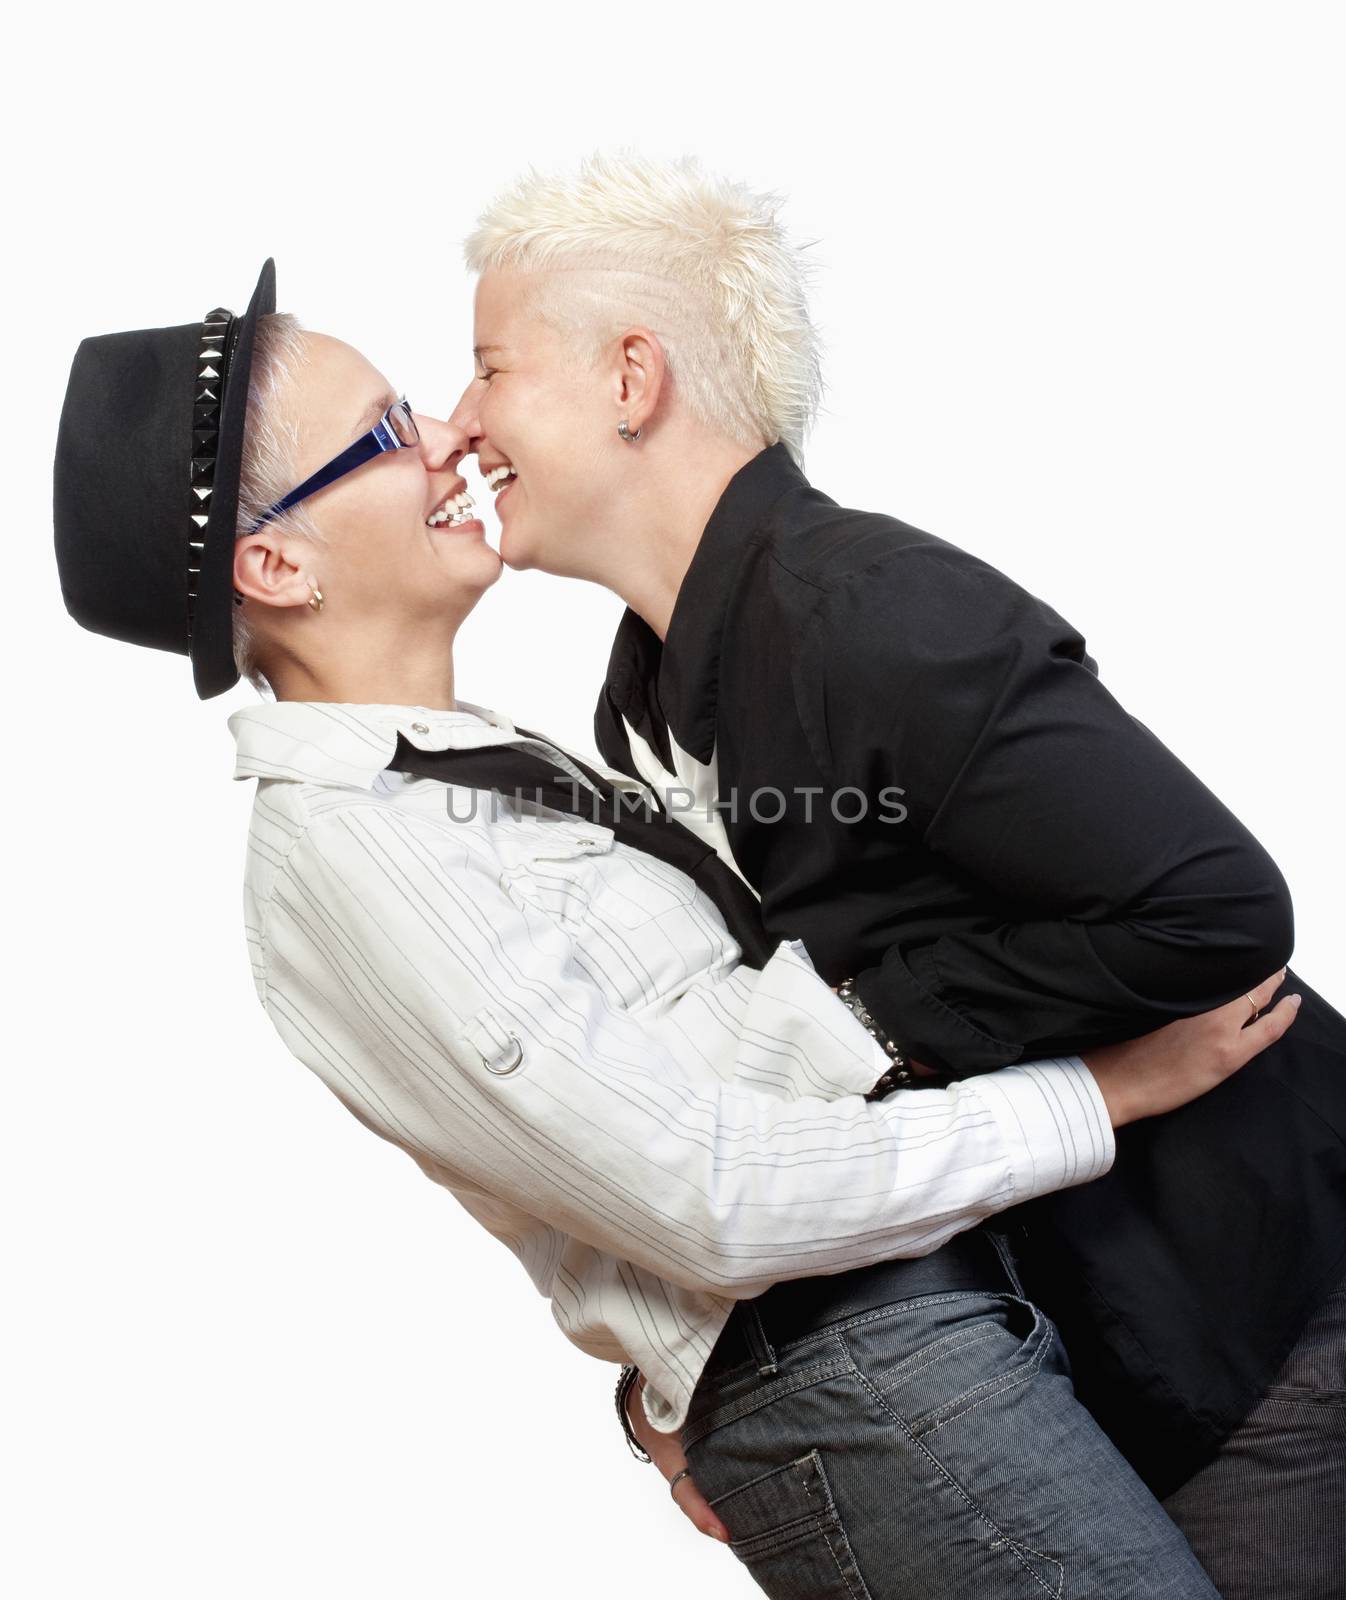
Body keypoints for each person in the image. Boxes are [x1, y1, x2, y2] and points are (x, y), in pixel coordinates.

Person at [52, 263, 1295, 1600]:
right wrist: (1096, 1095)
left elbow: (705, 1081)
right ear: (278, 561)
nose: (447, 440)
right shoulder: (356, 855)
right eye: (386, 429)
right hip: (849, 1361)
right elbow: (710, 1196)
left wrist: (661, 1381)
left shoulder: (484, 775)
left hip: (911, 1318)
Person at [446, 152, 1346, 1595]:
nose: (458, 423)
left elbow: (1214, 912)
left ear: (631, 376)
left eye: (488, 367)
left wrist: (862, 1016)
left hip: (1269, 1328)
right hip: (1108, 1331)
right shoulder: (650, 693)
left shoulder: (869, 609)